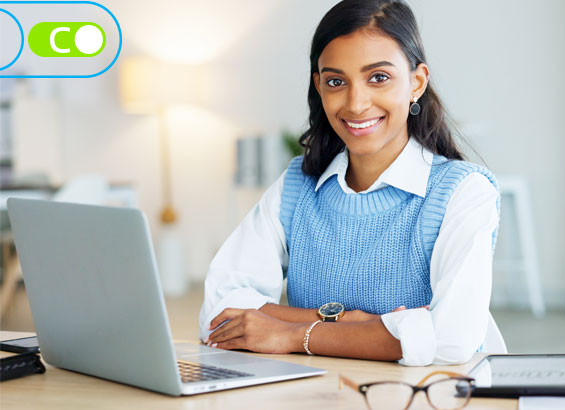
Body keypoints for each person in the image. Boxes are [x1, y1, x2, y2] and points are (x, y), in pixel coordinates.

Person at [199, 0, 506, 366]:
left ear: (416, 82)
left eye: (378, 77)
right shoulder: (298, 185)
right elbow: (220, 312)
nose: (356, 103)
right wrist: (357, 324)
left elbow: (449, 339)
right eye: (336, 81)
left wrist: (292, 334)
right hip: (319, 392)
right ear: (319, 86)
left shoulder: (463, 191)